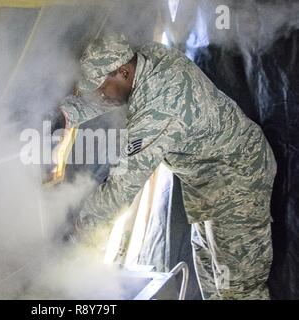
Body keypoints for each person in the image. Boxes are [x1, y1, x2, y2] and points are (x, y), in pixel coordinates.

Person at [58, 33, 277, 300]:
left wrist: (81, 227)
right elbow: (110, 94)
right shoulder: (147, 56)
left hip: (239, 177)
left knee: (240, 288)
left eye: (101, 87)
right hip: (209, 180)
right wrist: (68, 114)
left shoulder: (159, 108)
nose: (99, 95)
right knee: (212, 273)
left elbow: (122, 187)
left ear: (124, 73)